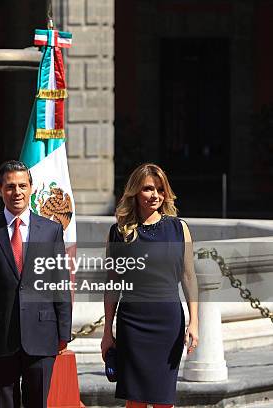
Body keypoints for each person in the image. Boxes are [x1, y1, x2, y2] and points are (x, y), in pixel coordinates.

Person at [0, 160, 72, 408]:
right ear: (0, 189)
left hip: (43, 335)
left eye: (22, 185)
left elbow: (60, 284)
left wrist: (64, 331)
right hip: (0, 337)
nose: (17, 192)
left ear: (32, 188)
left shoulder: (51, 231)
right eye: (10, 186)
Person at [101, 163, 199, 408]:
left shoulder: (179, 228)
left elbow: (189, 277)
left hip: (167, 323)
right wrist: (106, 332)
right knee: (135, 400)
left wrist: (194, 322)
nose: (155, 195)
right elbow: (112, 283)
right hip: (132, 323)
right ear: (135, 192)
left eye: (159, 189)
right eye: (147, 189)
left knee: (164, 400)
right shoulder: (119, 232)